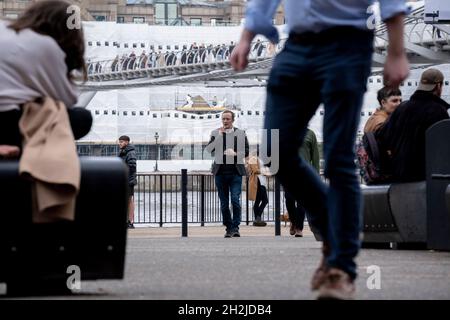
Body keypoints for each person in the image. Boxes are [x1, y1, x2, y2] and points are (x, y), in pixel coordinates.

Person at [231, 0, 409, 299]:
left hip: (347, 43)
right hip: (297, 46)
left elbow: (392, 3)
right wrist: (246, 38)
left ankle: (340, 268)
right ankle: (333, 223)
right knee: (276, 153)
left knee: (339, 160)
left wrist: (396, 50)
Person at [0, 0, 92, 151]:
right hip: (8, 123)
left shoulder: (2, 27)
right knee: (82, 118)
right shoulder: (46, 46)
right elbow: (68, 99)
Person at [376, 68, 450, 182]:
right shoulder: (438, 111)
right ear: (439, 86)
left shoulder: (402, 108)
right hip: (426, 178)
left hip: (399, 177)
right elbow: (444, 149)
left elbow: (381, 137)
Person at [206, 110, 249, 238]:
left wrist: (235, 154)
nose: (225, 121)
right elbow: (209, 149)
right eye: (223, 119)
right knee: (224, 203)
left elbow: (246, 151)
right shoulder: (215, 133)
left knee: (235, 200)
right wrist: (219, 136)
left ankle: (235, 227)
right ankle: (229, 228)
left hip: (235, 173)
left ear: (233, 120)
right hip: (220, 173)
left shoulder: (240, 133)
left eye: (227, 119)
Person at [285, 128, 320, 238]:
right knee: (289, 199)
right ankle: (293, 221)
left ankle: (299, 228)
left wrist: (316, 175)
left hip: (305, 173)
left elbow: (315, 155)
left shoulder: (310, 134)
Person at [118, 135, 137, 229]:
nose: (119, 144)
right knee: (127, 201)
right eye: (119, 142)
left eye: (121, 142)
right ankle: (127, 221)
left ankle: (130, 222)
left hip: (128, 180)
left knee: (129, 201)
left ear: (126, 142)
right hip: (125, 179)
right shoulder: (124, 152)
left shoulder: (130, 153)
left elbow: (132, 166)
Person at [247, 153, 268, 227]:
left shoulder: (262, 159)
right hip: (257, 181)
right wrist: (265, 172)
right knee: (260, 201)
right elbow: (255, 170)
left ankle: (257, 219)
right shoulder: (253, 158)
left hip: (262, 182)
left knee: (264, 201)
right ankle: (257, 218)